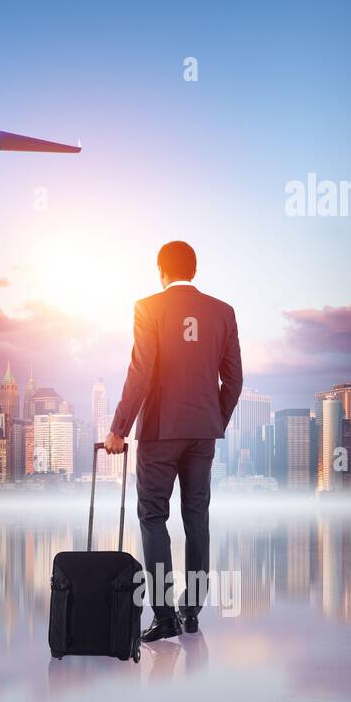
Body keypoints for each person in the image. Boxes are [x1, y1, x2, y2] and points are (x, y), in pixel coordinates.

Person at [102, 241, 242, 641]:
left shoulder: (149, 308)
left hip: (160, 432)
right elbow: (234, 380)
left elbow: (141, 370)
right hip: (202, 434)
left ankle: (164, 617)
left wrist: (119, 428)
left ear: (160, 270)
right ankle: (191, 612)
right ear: (193, 270)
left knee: (153, 517)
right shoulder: (223, 312)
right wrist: (213, 420)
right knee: (197, 518)